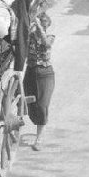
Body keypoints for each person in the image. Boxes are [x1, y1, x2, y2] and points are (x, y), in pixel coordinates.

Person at [24, 12, 55, 151]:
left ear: (47, 24)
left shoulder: (50, 36)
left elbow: (46, 43)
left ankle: (39, 138)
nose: (41, 23)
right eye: (39, 21)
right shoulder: (30, 36)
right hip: (30, 72)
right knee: (29, 104)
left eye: (43, 22)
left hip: (45, 74)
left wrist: (38, 26)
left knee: (42, 105)